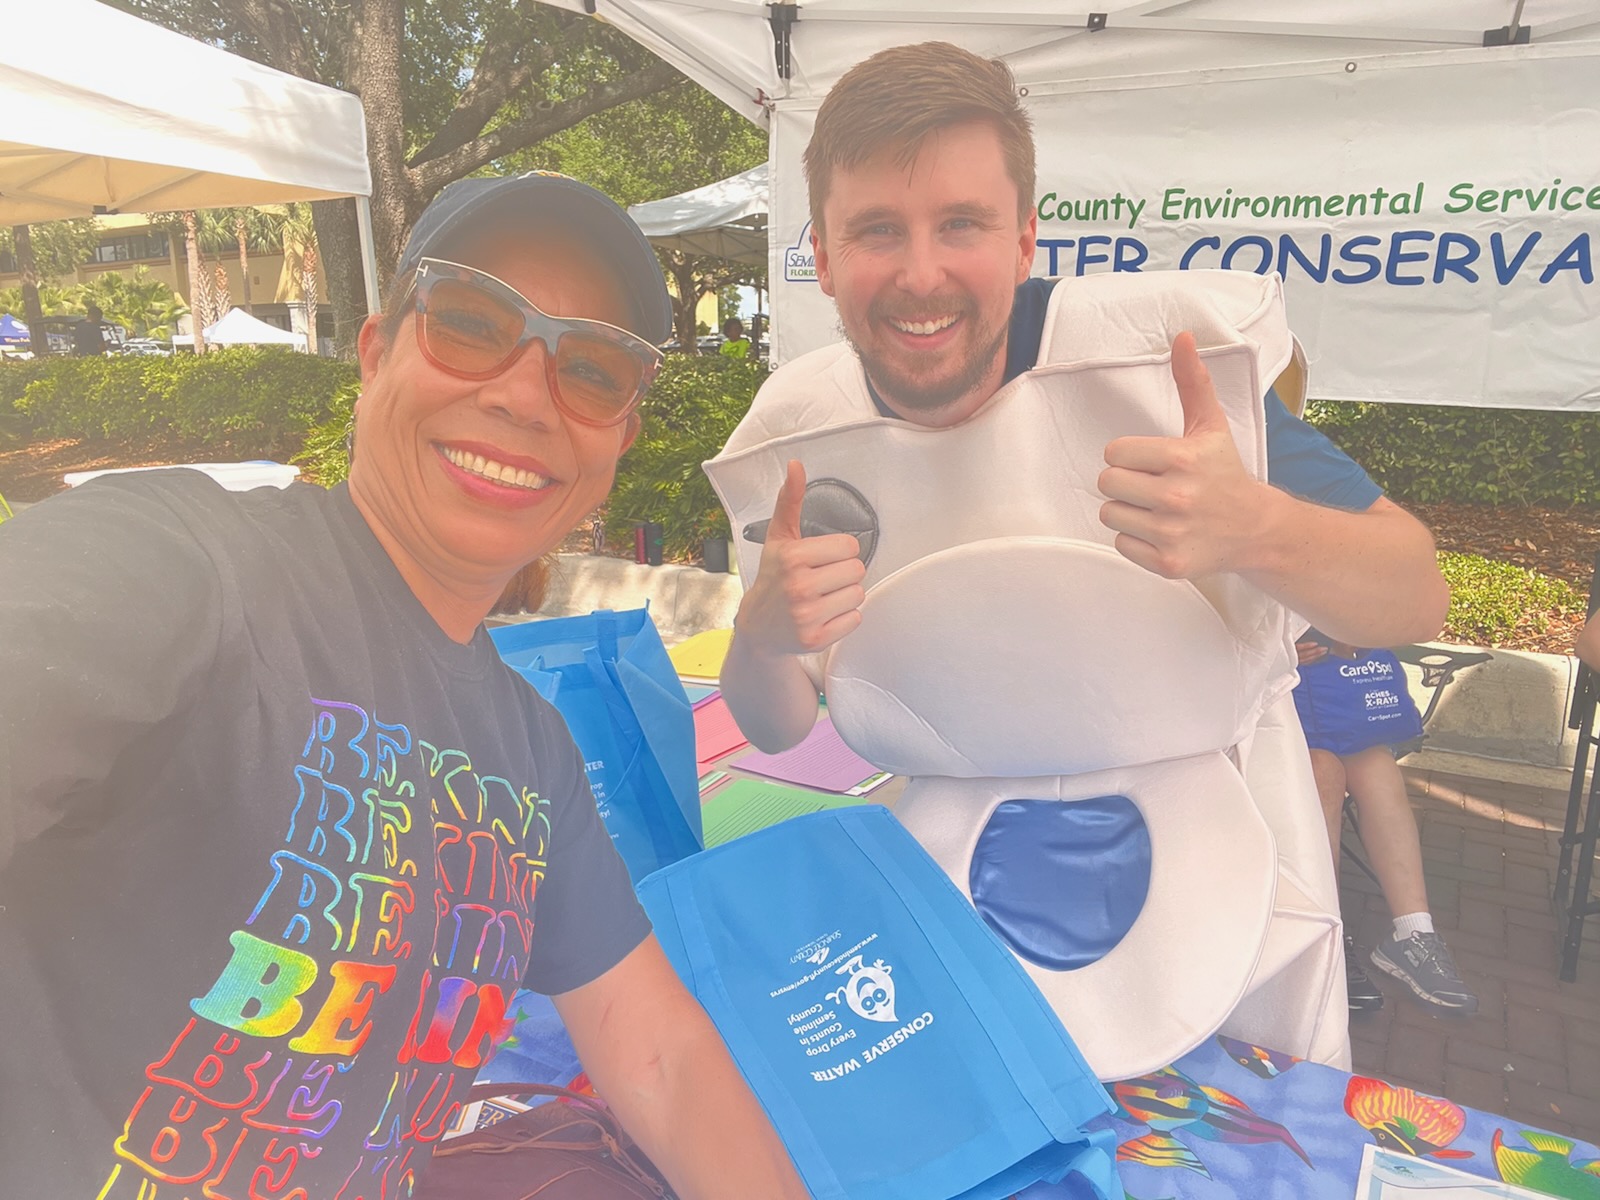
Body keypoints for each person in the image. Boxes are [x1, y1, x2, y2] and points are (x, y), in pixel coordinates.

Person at [0, 172, 806, 1199]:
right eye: (470, 322)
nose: (523, 394)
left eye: (593, 369)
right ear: (377, 352)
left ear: (617, 443)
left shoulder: (532, 754)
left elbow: (658, 1056)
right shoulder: (179, 563)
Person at [719, 40, 1448, 755]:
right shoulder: (796, 429)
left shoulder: (1166, 371)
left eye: (960, 224)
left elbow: (1416, 601)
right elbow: (777, 730)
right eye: (878, 230)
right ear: (823, 259)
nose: (922, 274)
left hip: (1201, 803)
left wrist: (1256, 528)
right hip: (944, 810)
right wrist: (760, 640)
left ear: (1023, 242)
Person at [1297, 637, 1479, 1014]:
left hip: (1335, 710)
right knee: (1322, 772)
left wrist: (1359, 637)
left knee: (1377, 767)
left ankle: (1413, 932)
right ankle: (1322, 937)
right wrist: (1277, 652)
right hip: (1262, 710)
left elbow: (1390, 621)